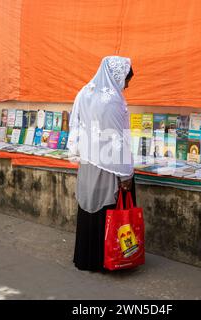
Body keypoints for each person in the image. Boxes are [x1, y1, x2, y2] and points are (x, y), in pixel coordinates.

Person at [68, 56, 136, 272]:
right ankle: (107, 259)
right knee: (107, 209)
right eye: (126, 80)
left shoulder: (85, 93)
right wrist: (125, 175)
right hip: (108, 166)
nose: (126, 85)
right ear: (117, 76)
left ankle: (86, 258)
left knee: (89, 208)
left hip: (88, 161)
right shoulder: (113, 100)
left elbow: (75, 126)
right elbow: (119, 140)